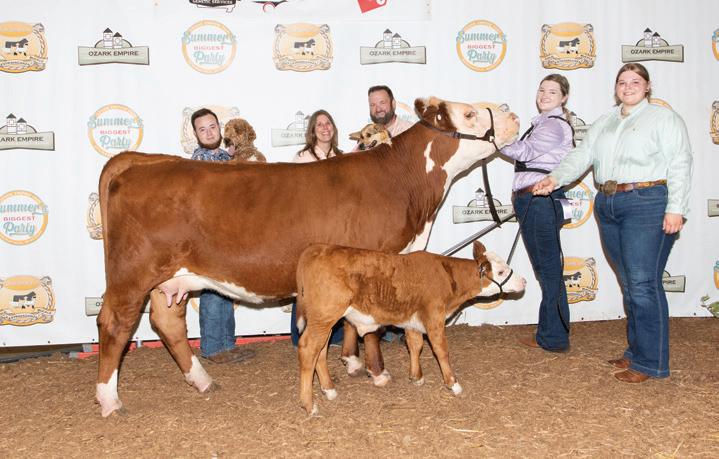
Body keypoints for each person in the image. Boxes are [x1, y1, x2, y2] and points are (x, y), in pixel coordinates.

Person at [533, 63, 693, 383]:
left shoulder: (664, 118)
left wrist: (676, 208)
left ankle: (651, 363)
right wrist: (555, 178)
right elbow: (582, 156)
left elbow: (680, 162)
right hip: (607, 202)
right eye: (622, 82)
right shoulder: (605, 120)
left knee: (643, 284)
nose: (628, 87)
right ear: (616, 88)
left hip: (647, 201)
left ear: (647, 86)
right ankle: (636, 352)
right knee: (630, 284)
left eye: (635, 81)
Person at [500, 74, 574, 353]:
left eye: (552, 92)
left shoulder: (553, 125)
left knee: (549, 269)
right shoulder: (541, 123)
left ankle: (555, 337)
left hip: (541, 199)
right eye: (542, 90)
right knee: (545, 268)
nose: (545, 95)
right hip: (533, 200)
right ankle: (550, 332)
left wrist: (494, 140)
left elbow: (527, 152)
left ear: (564, 97)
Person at [190, 108, 255, 364]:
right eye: (202, 129)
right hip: (209, 233)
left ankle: (227, 344)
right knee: (212, 288)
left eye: (212, 127)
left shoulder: (226, 157)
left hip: (228, 232)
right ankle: (213, 347)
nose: (208, 133)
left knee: (225, 287)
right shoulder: (199, 160)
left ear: (220, 128)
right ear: (195, 134)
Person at [290, 109, 344, 346]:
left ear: (333, 128)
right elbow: (296, 194)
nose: (324, 128)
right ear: (312, 130)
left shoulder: (342, 158)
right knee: (308, 280)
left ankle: (335, 334)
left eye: (328, 123)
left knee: (335, 280)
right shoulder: (303, 158)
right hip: (311, 226)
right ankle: (301, 335)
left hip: (337, 227)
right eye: (319, 124)